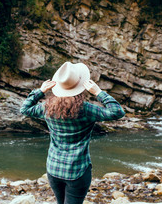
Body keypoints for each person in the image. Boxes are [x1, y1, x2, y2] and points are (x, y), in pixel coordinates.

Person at [20, 62, 125, 204]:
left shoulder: (47, 107)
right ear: (80, 86)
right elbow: (117, 112)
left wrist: (41, 91)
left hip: (54, 168)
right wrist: (98, 92)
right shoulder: (87, 110)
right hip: (77, 171)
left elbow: (25, 109)